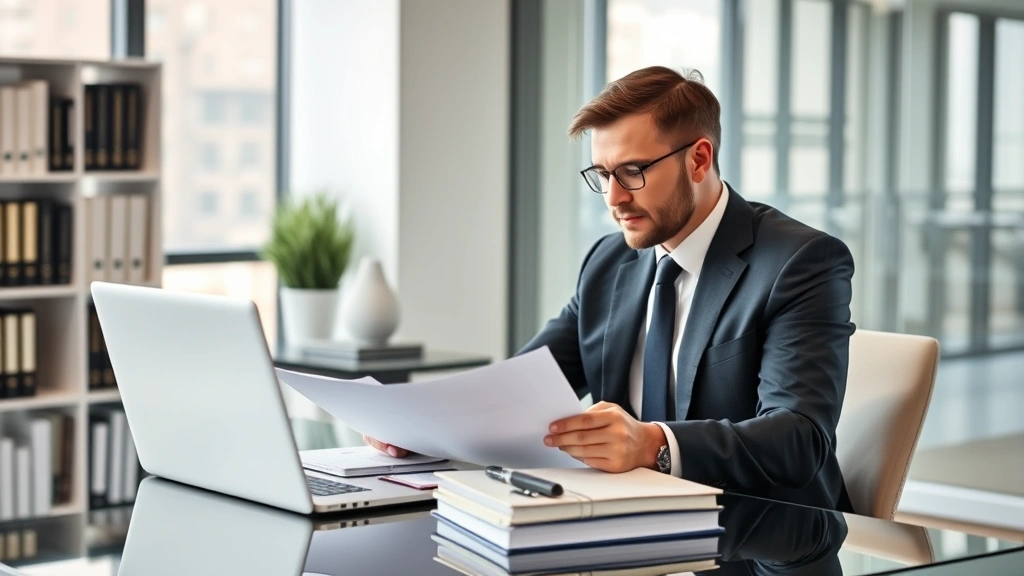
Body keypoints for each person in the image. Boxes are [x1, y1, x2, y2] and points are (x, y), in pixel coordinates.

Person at [367, 65, 855, 512]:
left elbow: (799, 439)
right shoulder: (609, 262)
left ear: (699, 159)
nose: (615, 199)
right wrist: (423, 428)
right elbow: (519, 390)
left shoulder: (800, 262)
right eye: (603, 176)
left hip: (760, 540)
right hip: (623, 527)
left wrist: (652, 444)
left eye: (633, 172)